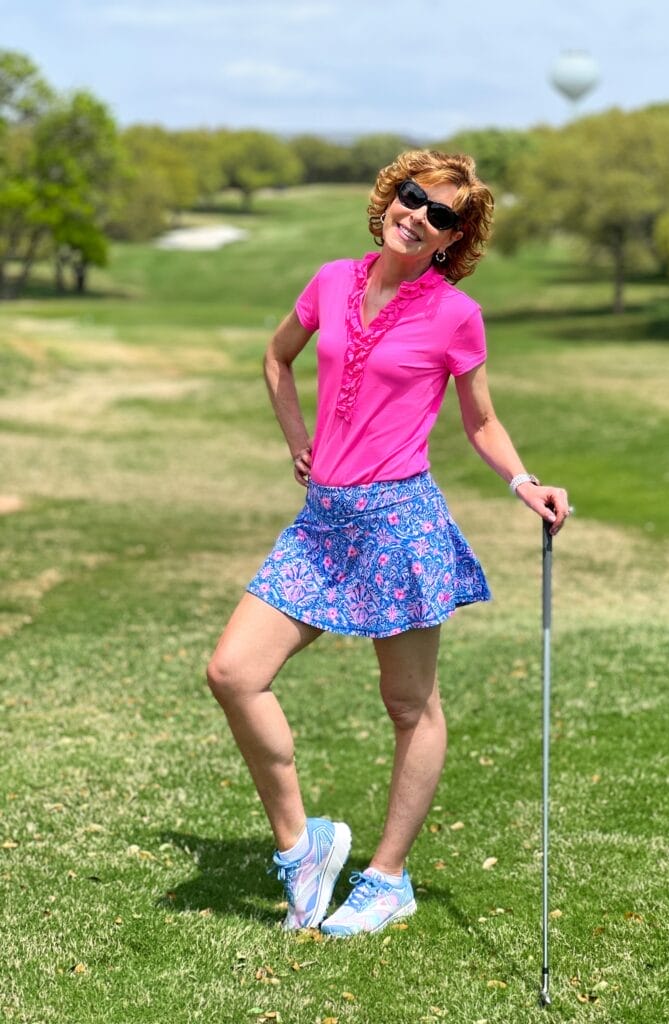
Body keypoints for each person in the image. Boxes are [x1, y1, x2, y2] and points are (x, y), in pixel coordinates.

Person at [207, 150, 570, 937]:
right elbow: (276, 359)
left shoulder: (453, 314)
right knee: (234, 673)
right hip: (323, 522)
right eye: (414, 198)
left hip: (400, 523)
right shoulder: (332, 279)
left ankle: (388, 877)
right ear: (391, 196)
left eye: (442, 215)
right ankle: (305, 849)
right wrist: (297, 440)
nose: (419, 216)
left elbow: (481, 421)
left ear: (452, 240)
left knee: (409, 704)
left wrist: (524, 483)